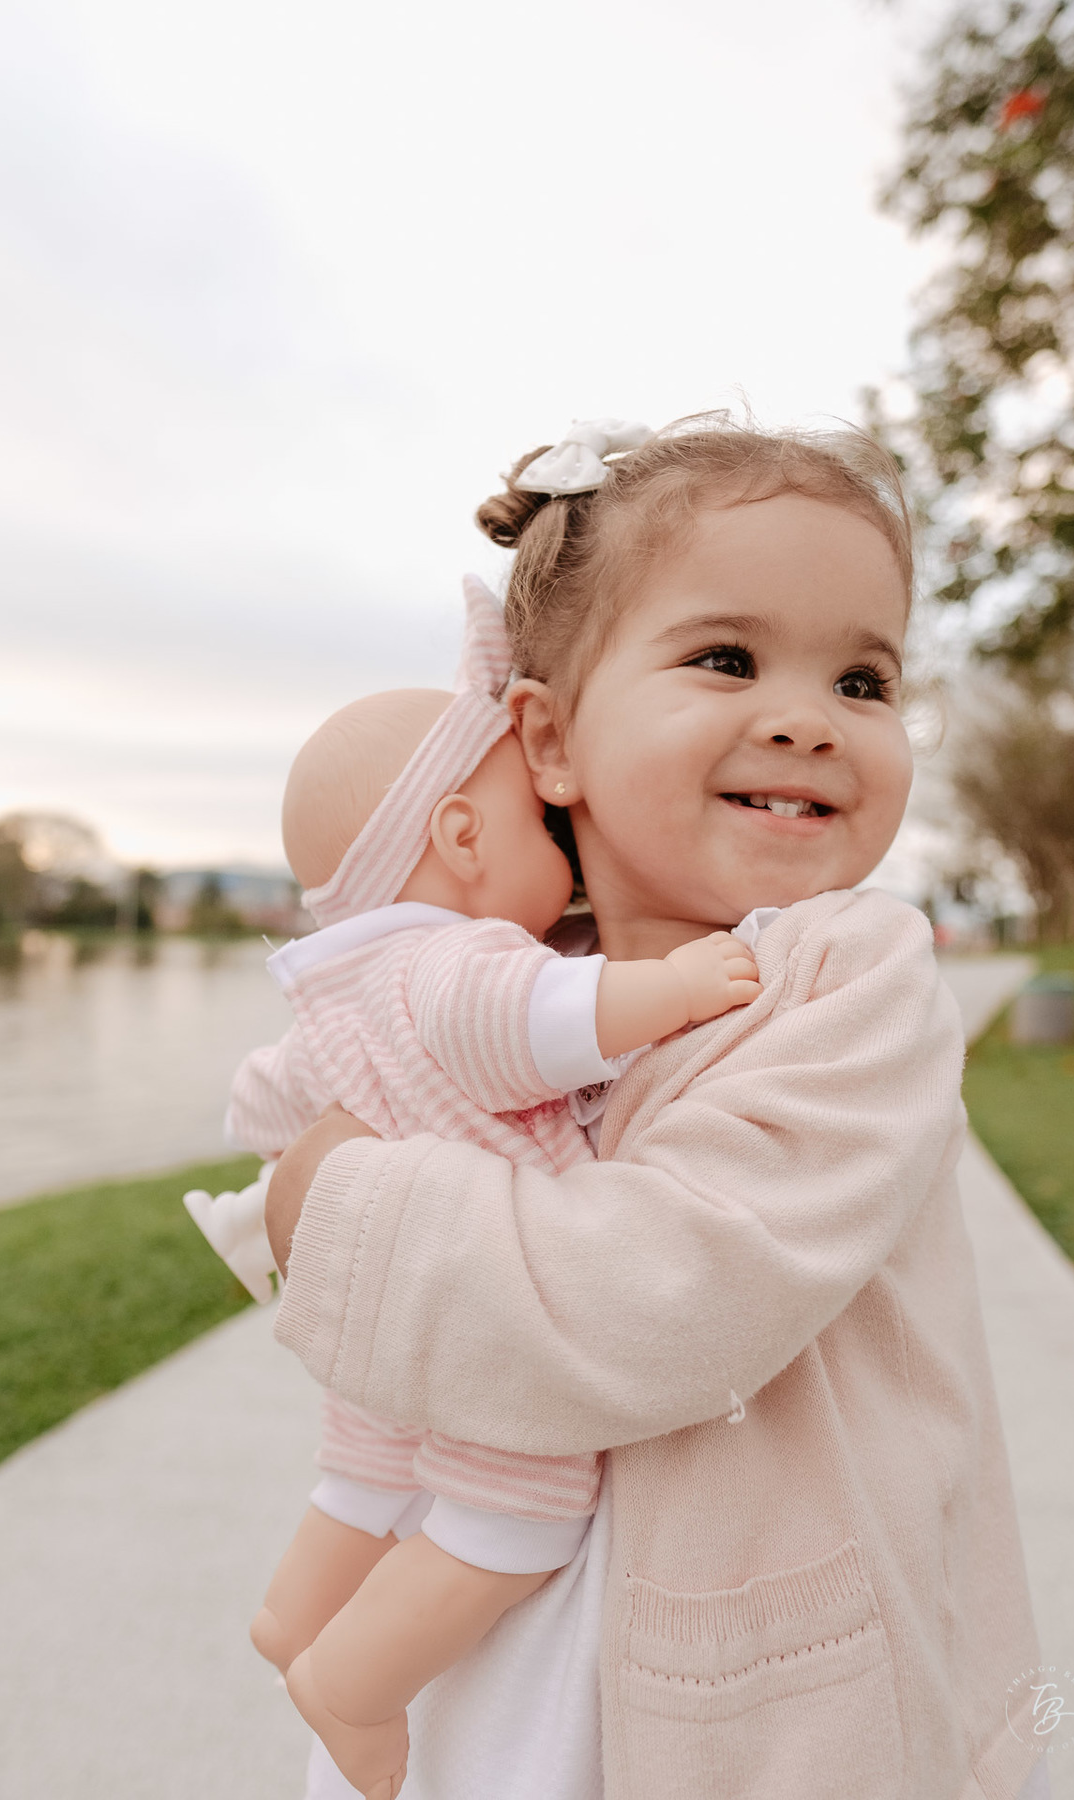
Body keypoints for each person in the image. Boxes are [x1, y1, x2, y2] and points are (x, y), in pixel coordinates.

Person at [266, 416, 1049, 1800]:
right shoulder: (520, 991)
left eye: (863, 678)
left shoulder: (846, 983)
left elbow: (653, 1297)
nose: (809, 717)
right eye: (728, 658)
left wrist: (327, 1203)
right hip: (489, 1675)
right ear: (550, 738)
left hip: (760, 1707)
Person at [193, 571, 761, 1798]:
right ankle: (354, 1683)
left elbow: (264, 1102)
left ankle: (294, 1616)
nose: (563, 855)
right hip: (480, 1321)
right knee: (522, 1509)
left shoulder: (339, 991)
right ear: (462, 838)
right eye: (539, 830)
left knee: (367, 1473)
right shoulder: (455, 966)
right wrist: (682, 985)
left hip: (385, 1323)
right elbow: (549, 1018)